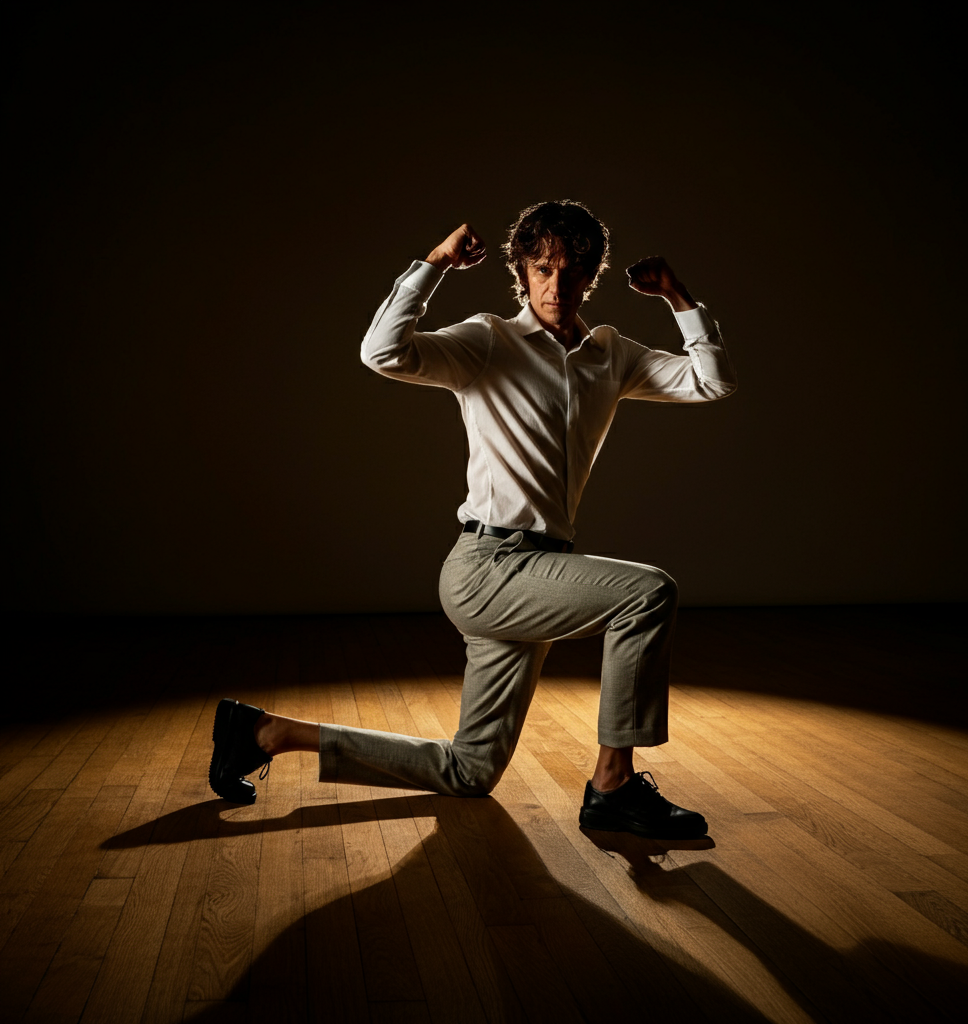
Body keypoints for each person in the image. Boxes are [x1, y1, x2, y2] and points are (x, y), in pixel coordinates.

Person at [209, 200, 736, 839]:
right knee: (649, 593)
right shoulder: (489, 341)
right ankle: (613, 786)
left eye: (572, 271)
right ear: (522, 272)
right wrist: (433, 264)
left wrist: (679, 298)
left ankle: (266, 732)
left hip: (541, 572)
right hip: (488, 567)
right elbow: (382, 353)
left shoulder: (610, 354)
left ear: (591, 275)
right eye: (542, 269)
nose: (556, 285)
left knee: (470, 770)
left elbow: (712, 382)